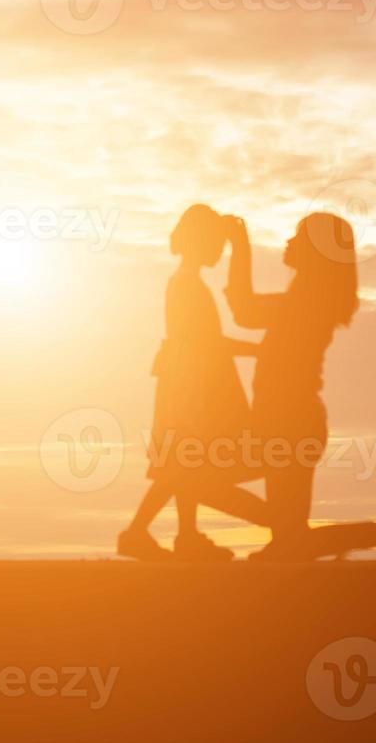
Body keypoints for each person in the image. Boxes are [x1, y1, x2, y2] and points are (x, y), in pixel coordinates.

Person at [224, 212, 376, 562]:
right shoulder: (307, 301)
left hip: (288, 423)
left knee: (199, 479)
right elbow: (256, 328)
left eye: (298, 237)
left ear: (314, 251)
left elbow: (244, 311)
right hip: (288, 421)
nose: (289, 242)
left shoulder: (305, 303)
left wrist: (240, 248)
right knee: (288, 543)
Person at [117, 205, 263, 561]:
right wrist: (262, 350)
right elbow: (208, 342)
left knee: (188, 464)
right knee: (182, 464)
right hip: (190, 384)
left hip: (188, 380)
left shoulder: (186, 281)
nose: (218, 253)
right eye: (216, 245)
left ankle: (186, 535)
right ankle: (136, 533)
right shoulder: (186, 285)